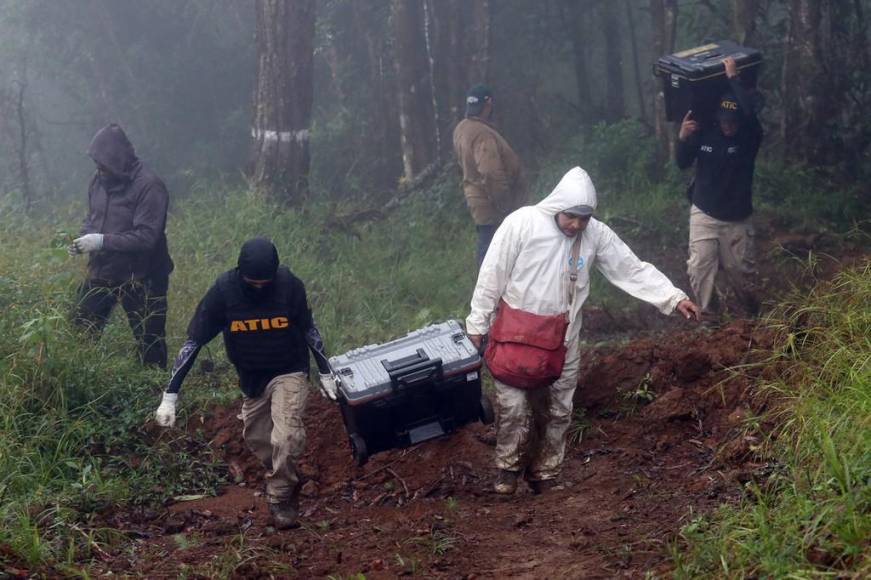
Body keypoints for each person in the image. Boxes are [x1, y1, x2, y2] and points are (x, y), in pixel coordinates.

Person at [466, 167, 700, 495]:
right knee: (513, 406)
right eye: (570, 217)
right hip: (514, 337)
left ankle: (545, 472)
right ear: (556, 206)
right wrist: (477, 324)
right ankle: (507, 470)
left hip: (563, 339)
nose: (576, 225)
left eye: (583, 219)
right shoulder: (522, 223)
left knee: (559, 407)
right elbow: (492, 275)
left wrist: (673, 297)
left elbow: (630, 269)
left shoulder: (596, 235)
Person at [153, 237, 337, 530]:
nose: (260, 288)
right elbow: (194, 342)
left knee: (286, 438)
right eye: (253, 283)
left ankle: (280, 497)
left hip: (289, 369)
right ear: (240, 274)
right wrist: (170, 395)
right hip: (252, 377)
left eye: (266, 282)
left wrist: (325, 371)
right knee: (259, 440)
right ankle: (287, 475)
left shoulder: (290, 286)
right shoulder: (224, 292)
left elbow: (308, 330)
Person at [69, 123, 173, 368]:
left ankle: (154, 394)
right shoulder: (97, 182)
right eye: (96, 162)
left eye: (103, 162)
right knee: (79, 332)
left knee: (150, 344)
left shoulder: (149, 186)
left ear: (117, 159)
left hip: (143, 277)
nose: (98, 167)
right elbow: (92, 217)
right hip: (102, 272)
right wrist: (83, 239)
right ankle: (79, 386)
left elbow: (147, 237)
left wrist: (101, 241)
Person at [676, 56, 763, 318]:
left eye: (733, 121)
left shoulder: (749, 137)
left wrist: (733, 78)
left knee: (742, 275)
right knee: (699, 268)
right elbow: (682, 162)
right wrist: (682, 137)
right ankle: (710, 317)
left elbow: (750, 112)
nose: (728, 125)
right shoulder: (705, 132)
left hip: (737, 216)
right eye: (724, 120)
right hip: (704, 211)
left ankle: (752, 316)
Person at [453, 84, 526, 268]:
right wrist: (506, 205)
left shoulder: (461, 128)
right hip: (492, 203)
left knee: (489, 246)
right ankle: (488, 293)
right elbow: (490, 172)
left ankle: (490, 291)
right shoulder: (482, 133)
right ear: (488, 104)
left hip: (477, 198)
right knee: (492, 251)